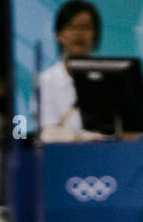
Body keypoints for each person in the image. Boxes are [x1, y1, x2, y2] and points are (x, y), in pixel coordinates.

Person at [38, 2, 103, 143]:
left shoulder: (109, 76)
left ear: (95, 34)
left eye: (85, 27)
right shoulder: (46, 80)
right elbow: (48, 132)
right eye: (71, 27)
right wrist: (82, 138)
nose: (78, 33)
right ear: (58, 34)